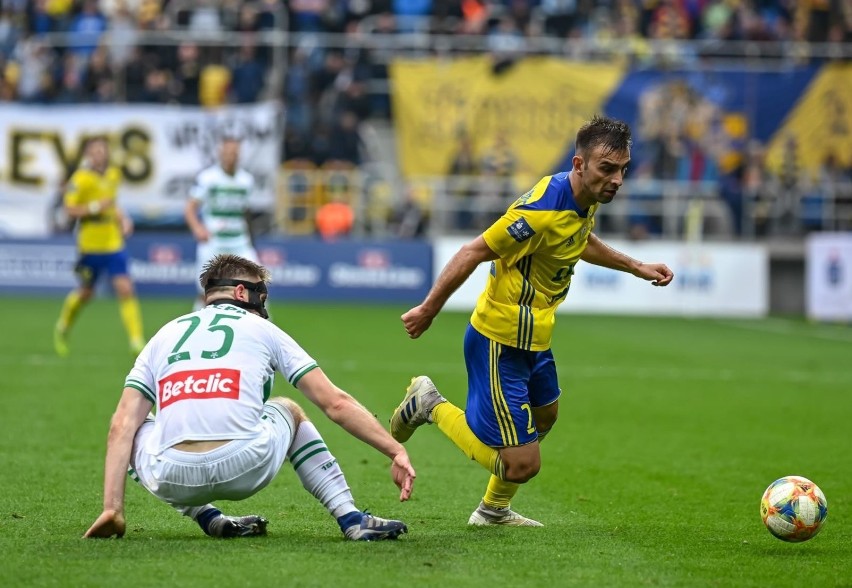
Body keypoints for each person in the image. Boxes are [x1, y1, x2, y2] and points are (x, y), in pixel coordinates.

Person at [390, 115, 674, 526]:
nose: (617, 180)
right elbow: (473, 251)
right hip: (500, 340)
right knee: (522, 464)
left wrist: (635, 266)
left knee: (546, 417)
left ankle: (493, 510)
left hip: (535, 337)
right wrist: (429, 309)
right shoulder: (540, 211)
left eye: (622, 169)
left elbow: (579, 239)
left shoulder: (581, 198)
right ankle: (429, 404)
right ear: (579, 165)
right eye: (607, 169)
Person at [84, 254, 416, 540]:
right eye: (261, 295)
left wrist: (112, 508)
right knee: (288, 407)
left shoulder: (163, 335)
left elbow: (120, 427)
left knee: (135, 425)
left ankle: (205, 517)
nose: (263, 304)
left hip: (172, 476)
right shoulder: (264, 330)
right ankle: (350, 518)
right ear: (242, 293)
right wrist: (394, 449)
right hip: (244, 464)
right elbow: (336, 403)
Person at [54, 136, 146, 357]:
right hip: (90, 243)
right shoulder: (81, 179)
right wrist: (95, 206)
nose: (99, 155)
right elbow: (69, 209)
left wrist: (123, 219)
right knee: (86, 293)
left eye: (102, 150)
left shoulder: (113, 174)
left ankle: (136, 341)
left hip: (113, 242)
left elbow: (113, 204)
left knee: (125, 288)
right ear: (88, 155)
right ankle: (63, 327)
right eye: (95, 151)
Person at [185, 137, 259, 311]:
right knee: (206, 291)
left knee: (257, 284)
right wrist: (197, 228)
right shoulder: (208, 178)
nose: (230, 156)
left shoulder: (246, 180)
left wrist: (250, 236)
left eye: (234, 153)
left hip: (239, 242)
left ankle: (260, 329)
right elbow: (190, 208)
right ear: (220, 154)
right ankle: (197, 328)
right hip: (214, 242)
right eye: (227, 153)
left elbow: (245, 211)